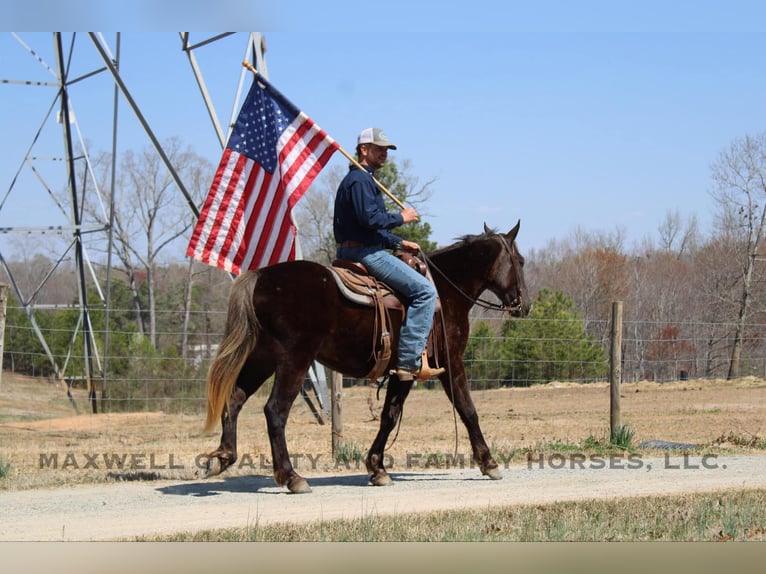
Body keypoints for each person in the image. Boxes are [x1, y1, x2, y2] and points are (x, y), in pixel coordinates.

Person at [334, 127, 444, 382]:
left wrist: (399, 242)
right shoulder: (361, 180)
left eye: (386, 150)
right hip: (366, 254)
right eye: (379, 148)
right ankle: (408, 361)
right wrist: (401, 218)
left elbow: (369, 228)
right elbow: (371, 219)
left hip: (358, 247)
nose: (384, 153)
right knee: (425, 292)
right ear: (364, 150)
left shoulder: (361, 180)